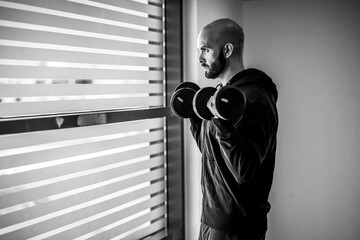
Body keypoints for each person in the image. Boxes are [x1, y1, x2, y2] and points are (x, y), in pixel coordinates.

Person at [191, 18, 279, 240]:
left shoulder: (255, 98)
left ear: (227, 50)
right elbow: (216, 157)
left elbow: (244, 170)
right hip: (211, 221)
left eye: (206, 49)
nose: (200, 58)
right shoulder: (222, 95)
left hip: (238, 229)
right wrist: (195, 118)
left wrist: (220, 121)